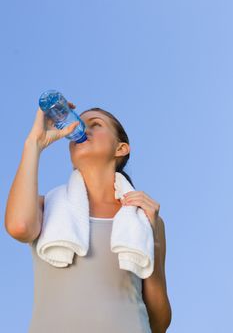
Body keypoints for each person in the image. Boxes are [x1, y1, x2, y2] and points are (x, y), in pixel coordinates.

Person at [4, 101, 172, 333]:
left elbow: (159, 323)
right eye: (80, 124)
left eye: (96, 124)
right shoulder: (46, 207)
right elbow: (19, 227)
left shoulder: (144, 218)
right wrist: (34, 143)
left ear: (121, 148)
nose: (83, 130)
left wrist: (152, 238)